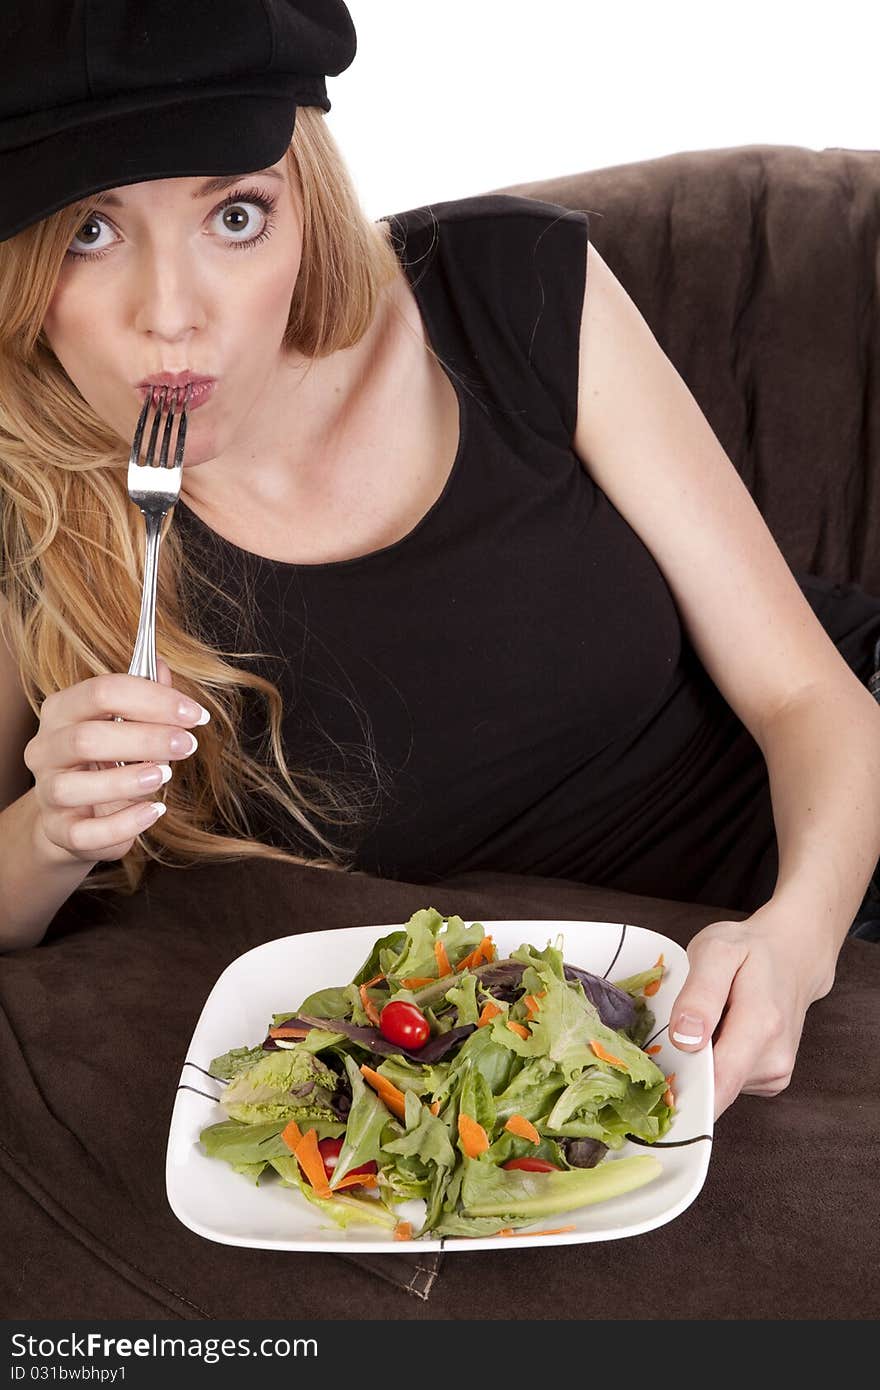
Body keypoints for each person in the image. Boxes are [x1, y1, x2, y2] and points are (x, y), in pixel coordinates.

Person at [1, 2, 879, 1125]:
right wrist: (46, 830)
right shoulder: (29, 496)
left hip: (820, 856)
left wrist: (794, 937)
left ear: (306, 205)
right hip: (572, 1028)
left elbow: (813, 694)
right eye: (90, 230)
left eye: (234, 213)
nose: (170, 315)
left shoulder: (509, 293)